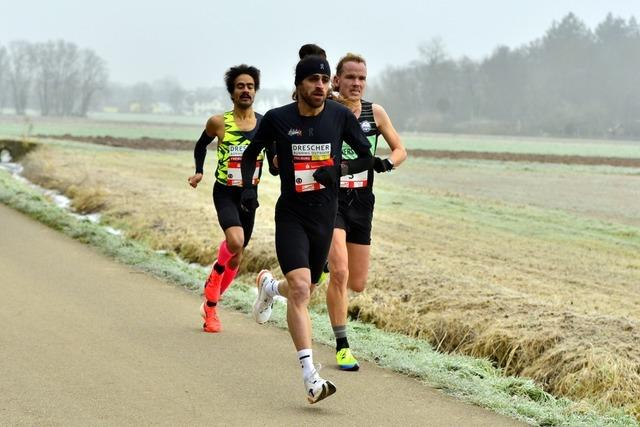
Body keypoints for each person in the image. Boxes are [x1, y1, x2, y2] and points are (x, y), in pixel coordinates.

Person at [240, 54, 373, 404]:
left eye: (324, 80)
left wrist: (340, 169)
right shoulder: (278, 119)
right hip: (292, 217)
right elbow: (252, 153)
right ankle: (311, 377)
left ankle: (269, 287)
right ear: (299, 84)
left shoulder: (340, 116)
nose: (320, 85)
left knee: (304, 287)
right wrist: (249, 190)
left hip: (324, 219)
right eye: (313, 79)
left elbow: (365, 157)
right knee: (300, 289)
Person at [326, 53, 407, 371]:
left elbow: (401, 149)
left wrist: (388, 162)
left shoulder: (376, 113)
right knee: (340, 273)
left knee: (356, 283)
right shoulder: (328, 111)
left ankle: (317, 268)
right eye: (350, 77)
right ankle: (342, 346)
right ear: (337, 80)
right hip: (331, 201)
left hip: (362, 202)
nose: (356, 83)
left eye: (361, 78)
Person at [187, 64, 267, 333]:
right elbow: (201, 145)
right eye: (240, 86)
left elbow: (277, 156)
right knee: (235, 240)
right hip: (225, 192)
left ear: (255, 91)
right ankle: (211, 304)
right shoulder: (218, 122)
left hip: (249, 195)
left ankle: (211, 300)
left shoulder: (265, 123)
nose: (246, 90)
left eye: (250, 86)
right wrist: (199, 171)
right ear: (232, 92)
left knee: (236, 258)